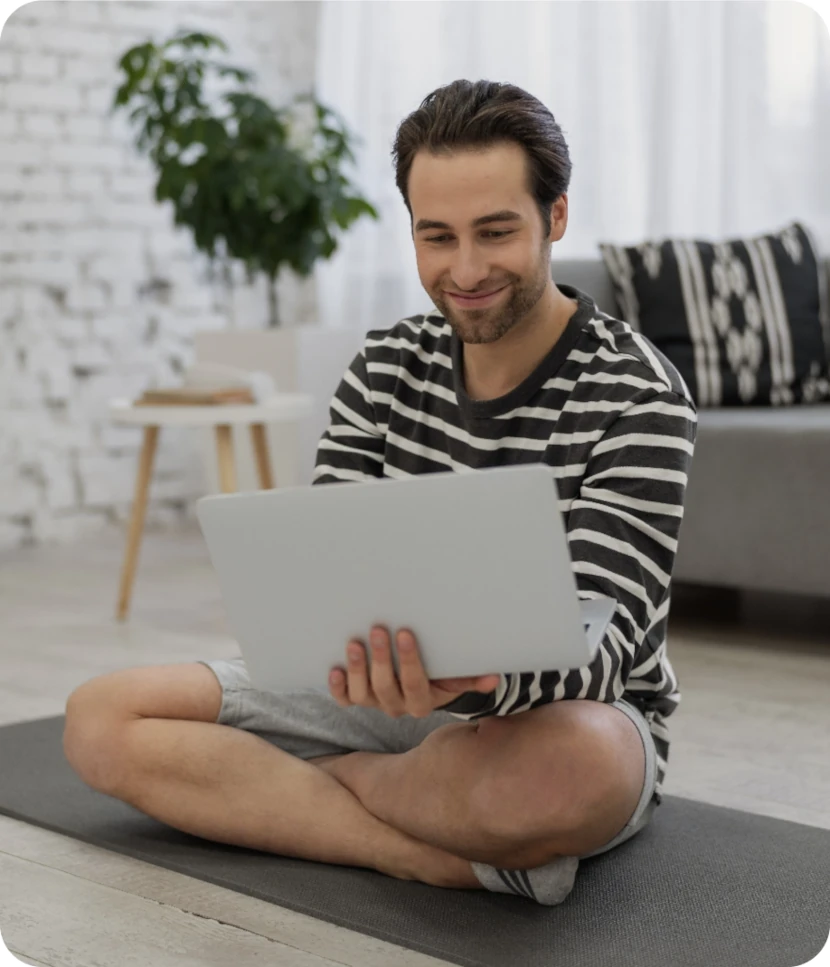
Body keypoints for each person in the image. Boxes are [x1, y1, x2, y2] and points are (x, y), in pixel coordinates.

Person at [63, 79, 697, 906]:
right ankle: (412, 849)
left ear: (557, 217)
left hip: (559, 714)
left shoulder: (640, 394)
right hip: (374, 688)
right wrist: (354, 656)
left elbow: (603, 648)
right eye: (437, 237)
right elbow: (330, 580)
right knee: (101, 719)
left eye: (495, 232)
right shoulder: (385, 366)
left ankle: (302, 791)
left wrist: (469, 683)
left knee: (576, 768)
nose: (464, 270)